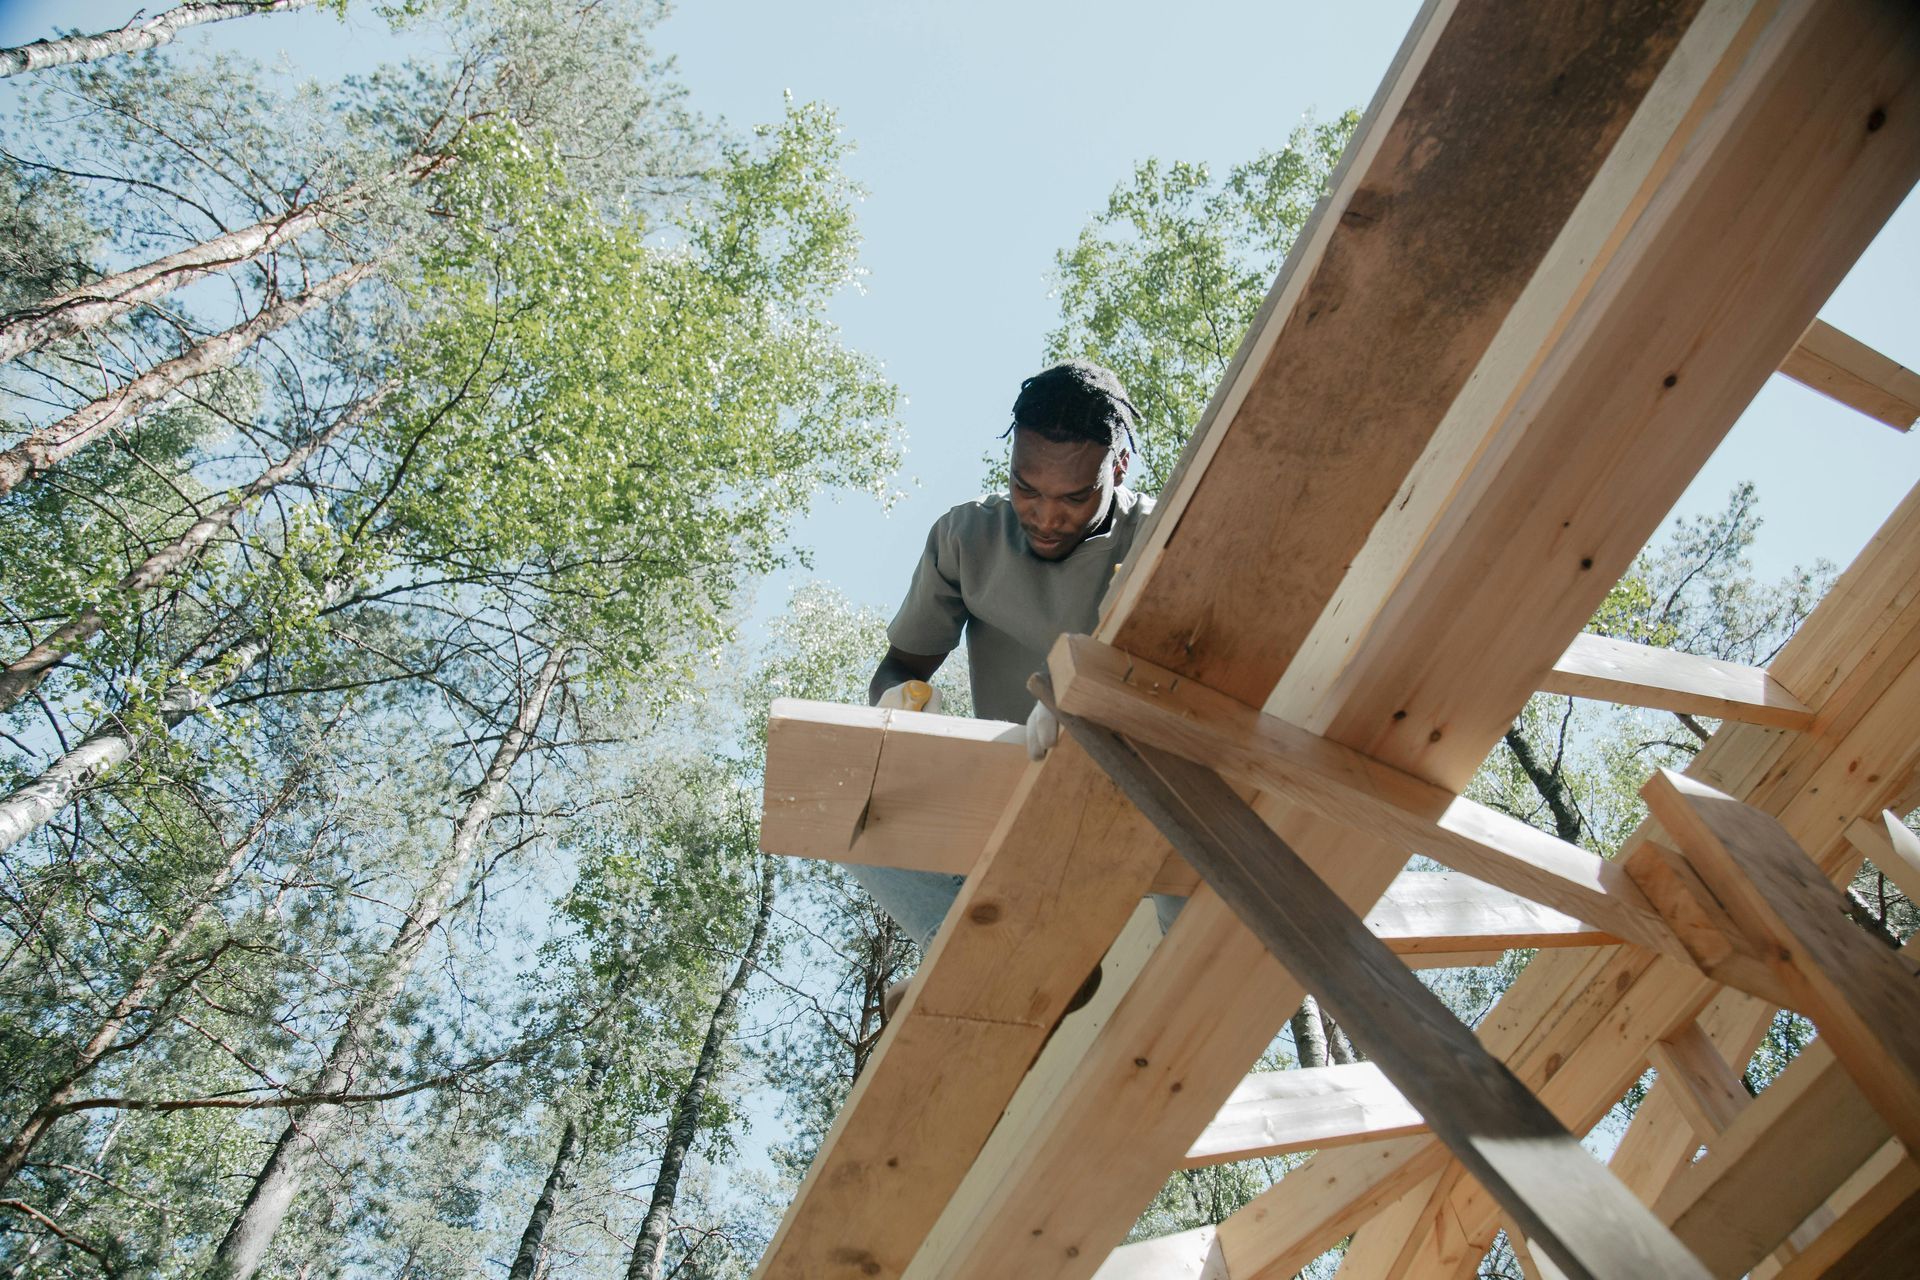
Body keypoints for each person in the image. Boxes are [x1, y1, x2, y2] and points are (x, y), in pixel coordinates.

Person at [858, 359, 1157, 958]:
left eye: (1075, 496)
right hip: (1009, 804)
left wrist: (1084, 703)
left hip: (1134, 797)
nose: (1046, 518)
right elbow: (899, 668)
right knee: (857, 819)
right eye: (1026, 488)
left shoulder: (1161, 535)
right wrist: (899, 700)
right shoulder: (967, 539)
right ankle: (982, 957)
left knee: (1184, 875)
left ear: (1118, 467)